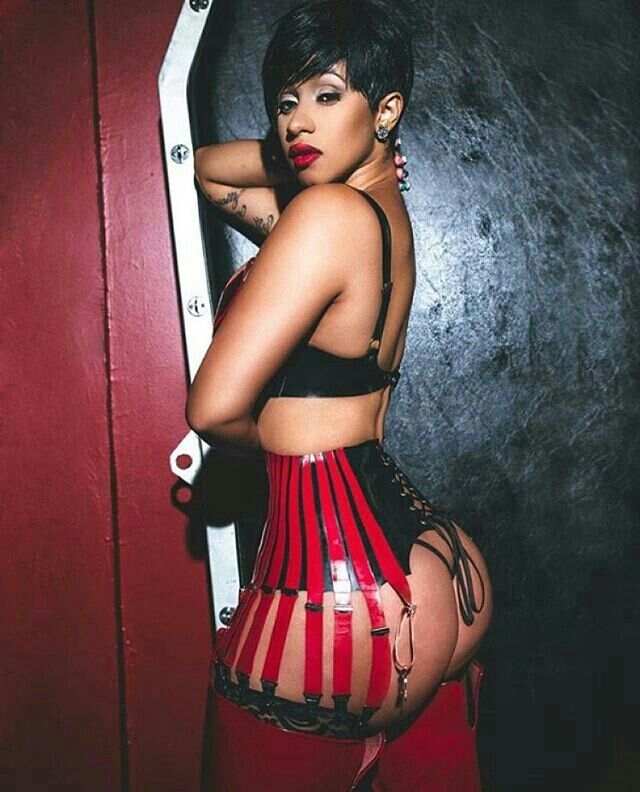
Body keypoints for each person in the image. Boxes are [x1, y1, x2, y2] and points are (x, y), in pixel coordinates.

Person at [187, 2, 493, 789]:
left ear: (387, 109)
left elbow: (212, 409)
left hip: (332, 601)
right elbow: (211, 170)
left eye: (327, 94)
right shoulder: (380, 216)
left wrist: (277, 446)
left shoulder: (322, 217)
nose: (297, 120)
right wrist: (324, 138)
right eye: (286, 101)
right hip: (438, 573)